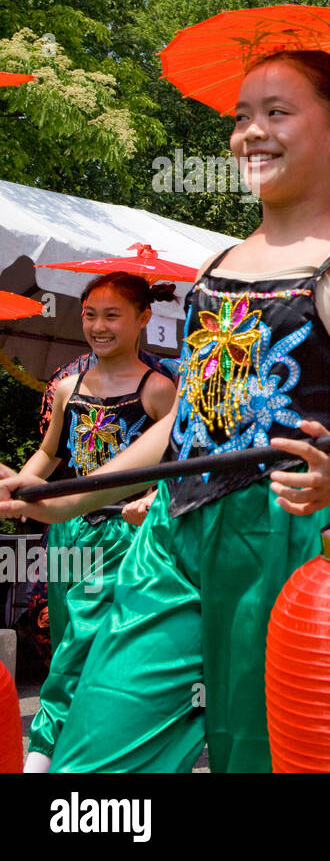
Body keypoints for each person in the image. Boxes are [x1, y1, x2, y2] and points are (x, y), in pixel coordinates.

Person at [0, 48, 330, 773]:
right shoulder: (213, 269)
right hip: (173, 533)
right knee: (96, 756)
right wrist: (68, 497)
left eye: (276, 113)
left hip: (289, 537)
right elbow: (183, 424)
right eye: (241, 118)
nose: (250, 133)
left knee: (261, 753)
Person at [16, 272, 178, 772]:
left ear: (143, 319)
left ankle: (41, 756)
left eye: (112, 315)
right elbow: (48, 454)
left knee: (87, 642)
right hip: (67, 531)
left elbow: (180, 461)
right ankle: (79, 748)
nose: (99, 326)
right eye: (90, 314)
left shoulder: (158, 390)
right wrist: (17, 491)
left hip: (124, 533)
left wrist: (151, 499)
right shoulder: (67, 386)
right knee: (67, 639)